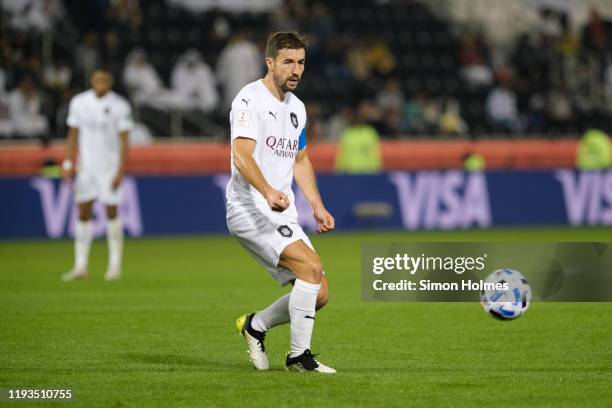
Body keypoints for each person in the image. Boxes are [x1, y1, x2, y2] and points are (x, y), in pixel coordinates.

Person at [228, 32, 336, 373]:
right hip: (249, 208)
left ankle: (255, 326)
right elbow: (241, 155)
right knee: (311, 269)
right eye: (288, 62)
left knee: (318, 293)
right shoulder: (249, 100)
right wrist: (267, 190)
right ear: (270, 62)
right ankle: (298, 358)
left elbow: (301, 160)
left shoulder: (298, 108)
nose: (296, 70)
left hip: (280, 210)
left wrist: (317, 205)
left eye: (301, 62)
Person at [61, 68, 133, 282]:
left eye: (104, 80)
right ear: (91, 81)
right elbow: (72, 135)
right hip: (86, 168)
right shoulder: (79, 103)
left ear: (110, 82)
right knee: (83, 213)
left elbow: (124, 141)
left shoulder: (121, 106)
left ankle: (114, 266)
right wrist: (68, 162)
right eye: (97, 79)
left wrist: (121, 170)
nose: (100, 83)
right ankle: (80, 266)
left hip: (109, 168)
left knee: (112, 212)